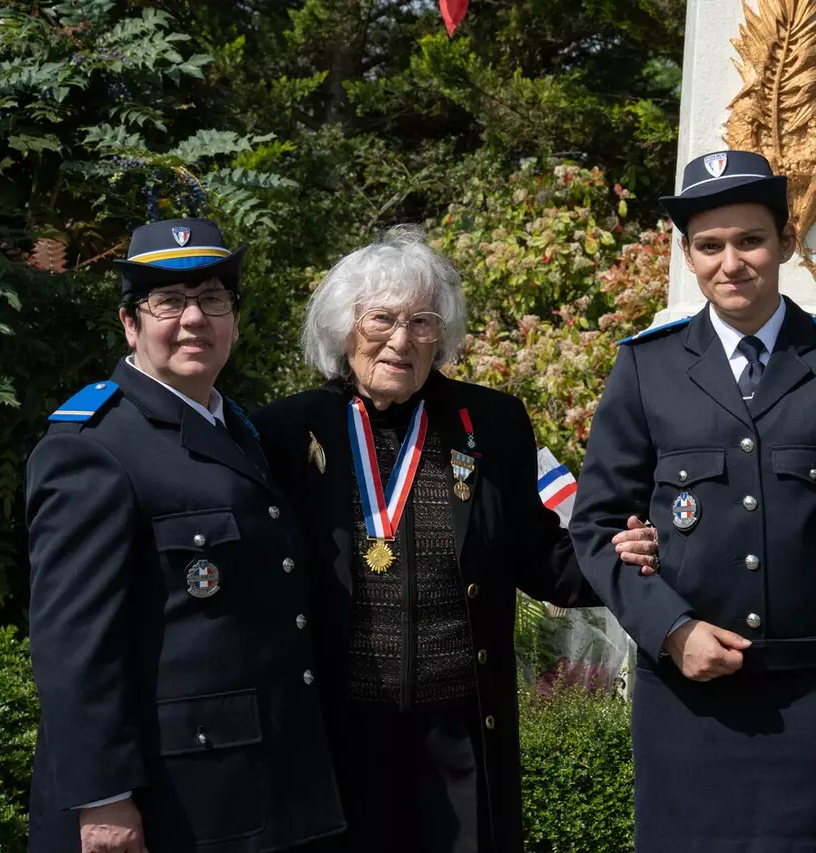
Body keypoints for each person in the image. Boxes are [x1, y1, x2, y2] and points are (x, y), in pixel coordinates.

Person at [249, 226, 656, 853]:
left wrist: (615, 556)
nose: (401, 340)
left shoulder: (490, 423)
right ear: (343, 326)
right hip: (337, 735)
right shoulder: (284, 432)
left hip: (460, 737)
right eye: (381, 319)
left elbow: (540, 556)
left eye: (422, 322)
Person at [568, 150, 816, 852]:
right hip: (686, 698)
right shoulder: (647, 367)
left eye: (751, 240)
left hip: (815, 696)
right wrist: (672, 628)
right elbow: (598, 525)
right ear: (688, 257)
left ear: (786, 242)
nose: (731, 263)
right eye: (710, 246)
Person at [25, 218, 345, 853]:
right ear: (130, 323)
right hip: (161, 806)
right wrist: (103, 799)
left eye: (212, 299)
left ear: (234, 320)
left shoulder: (239, 431)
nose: (194, 319)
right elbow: (74, 645)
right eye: (168, 302)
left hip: (251, 792)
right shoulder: (94, 448)